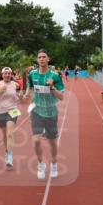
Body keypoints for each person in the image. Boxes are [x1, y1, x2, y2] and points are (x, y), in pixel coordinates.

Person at [22, 49, 66, 180]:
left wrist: (52, 88)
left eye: (44, 57)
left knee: (52, 141)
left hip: (51, 112)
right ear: (37, 60)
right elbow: (30, 87)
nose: (41, 59)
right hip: (37, 111)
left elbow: (61, 97)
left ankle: (54, 164)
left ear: (48, 59)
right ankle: (41, 164)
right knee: (36, 140)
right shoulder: (32, 74)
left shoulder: (55, 76)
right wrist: (26, 94)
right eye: (39, 57)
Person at [0, 67, 21, 168]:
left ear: (11, 75)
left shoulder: (15, 84)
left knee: (10, 134)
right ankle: (7, 151)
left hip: (12, 110)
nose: (7, 75)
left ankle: (10, 156)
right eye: (5, 73)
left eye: (9, 73)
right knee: (5, 134)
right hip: (0, 112)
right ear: (2, 75)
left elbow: (16, 96)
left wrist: (18, 97)